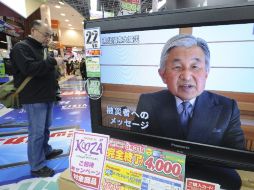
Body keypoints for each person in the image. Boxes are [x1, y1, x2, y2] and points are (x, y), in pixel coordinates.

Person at [131, 34, 245, 189]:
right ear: (163, 74)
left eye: (195, 66)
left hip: (211, 181)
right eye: (177, 67)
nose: (186, 76)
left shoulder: (227, 107)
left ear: (206, 72)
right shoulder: (148, 102)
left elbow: (237, 154)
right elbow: (137, 145)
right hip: (161, 178)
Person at [10, 20, 63, 177]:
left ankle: (45, 151)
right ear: (33, 31)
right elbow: (29, 69)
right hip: (34, 97)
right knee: (36, 132)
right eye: (46, 34)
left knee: (46, 127)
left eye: (50, 35)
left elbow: (47, 70)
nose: (48, 38)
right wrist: (52, 62)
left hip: (46, 95)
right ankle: (36, 165)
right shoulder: (21, 48)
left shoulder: (42, 48)